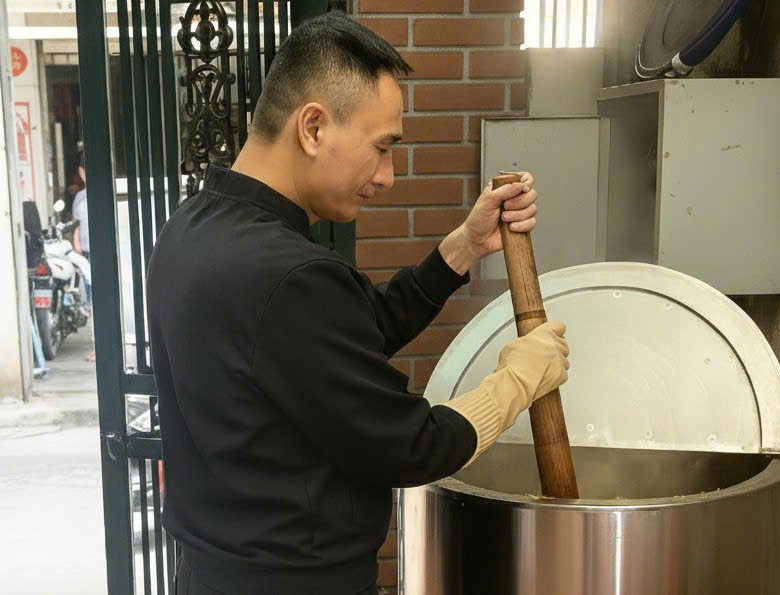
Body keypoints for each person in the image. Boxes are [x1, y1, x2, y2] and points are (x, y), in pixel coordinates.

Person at [147, 13, 570, 595]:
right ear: (313, 127)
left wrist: (464, 246)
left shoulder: (191, 230)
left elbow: (345, 340)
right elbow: (413, 445)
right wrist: (517, 380)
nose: (388, 176)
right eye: (382, 147)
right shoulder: (289, 275)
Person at [72, 156, 95, 363]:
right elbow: (77, 224)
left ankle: (101, 346)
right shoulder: (80, 197)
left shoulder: (102, 193)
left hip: (101, 251)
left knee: (101, 298)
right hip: (86, 251)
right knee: (91, 300)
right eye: (84, 171)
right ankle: (98, 346)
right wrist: (76, 244)